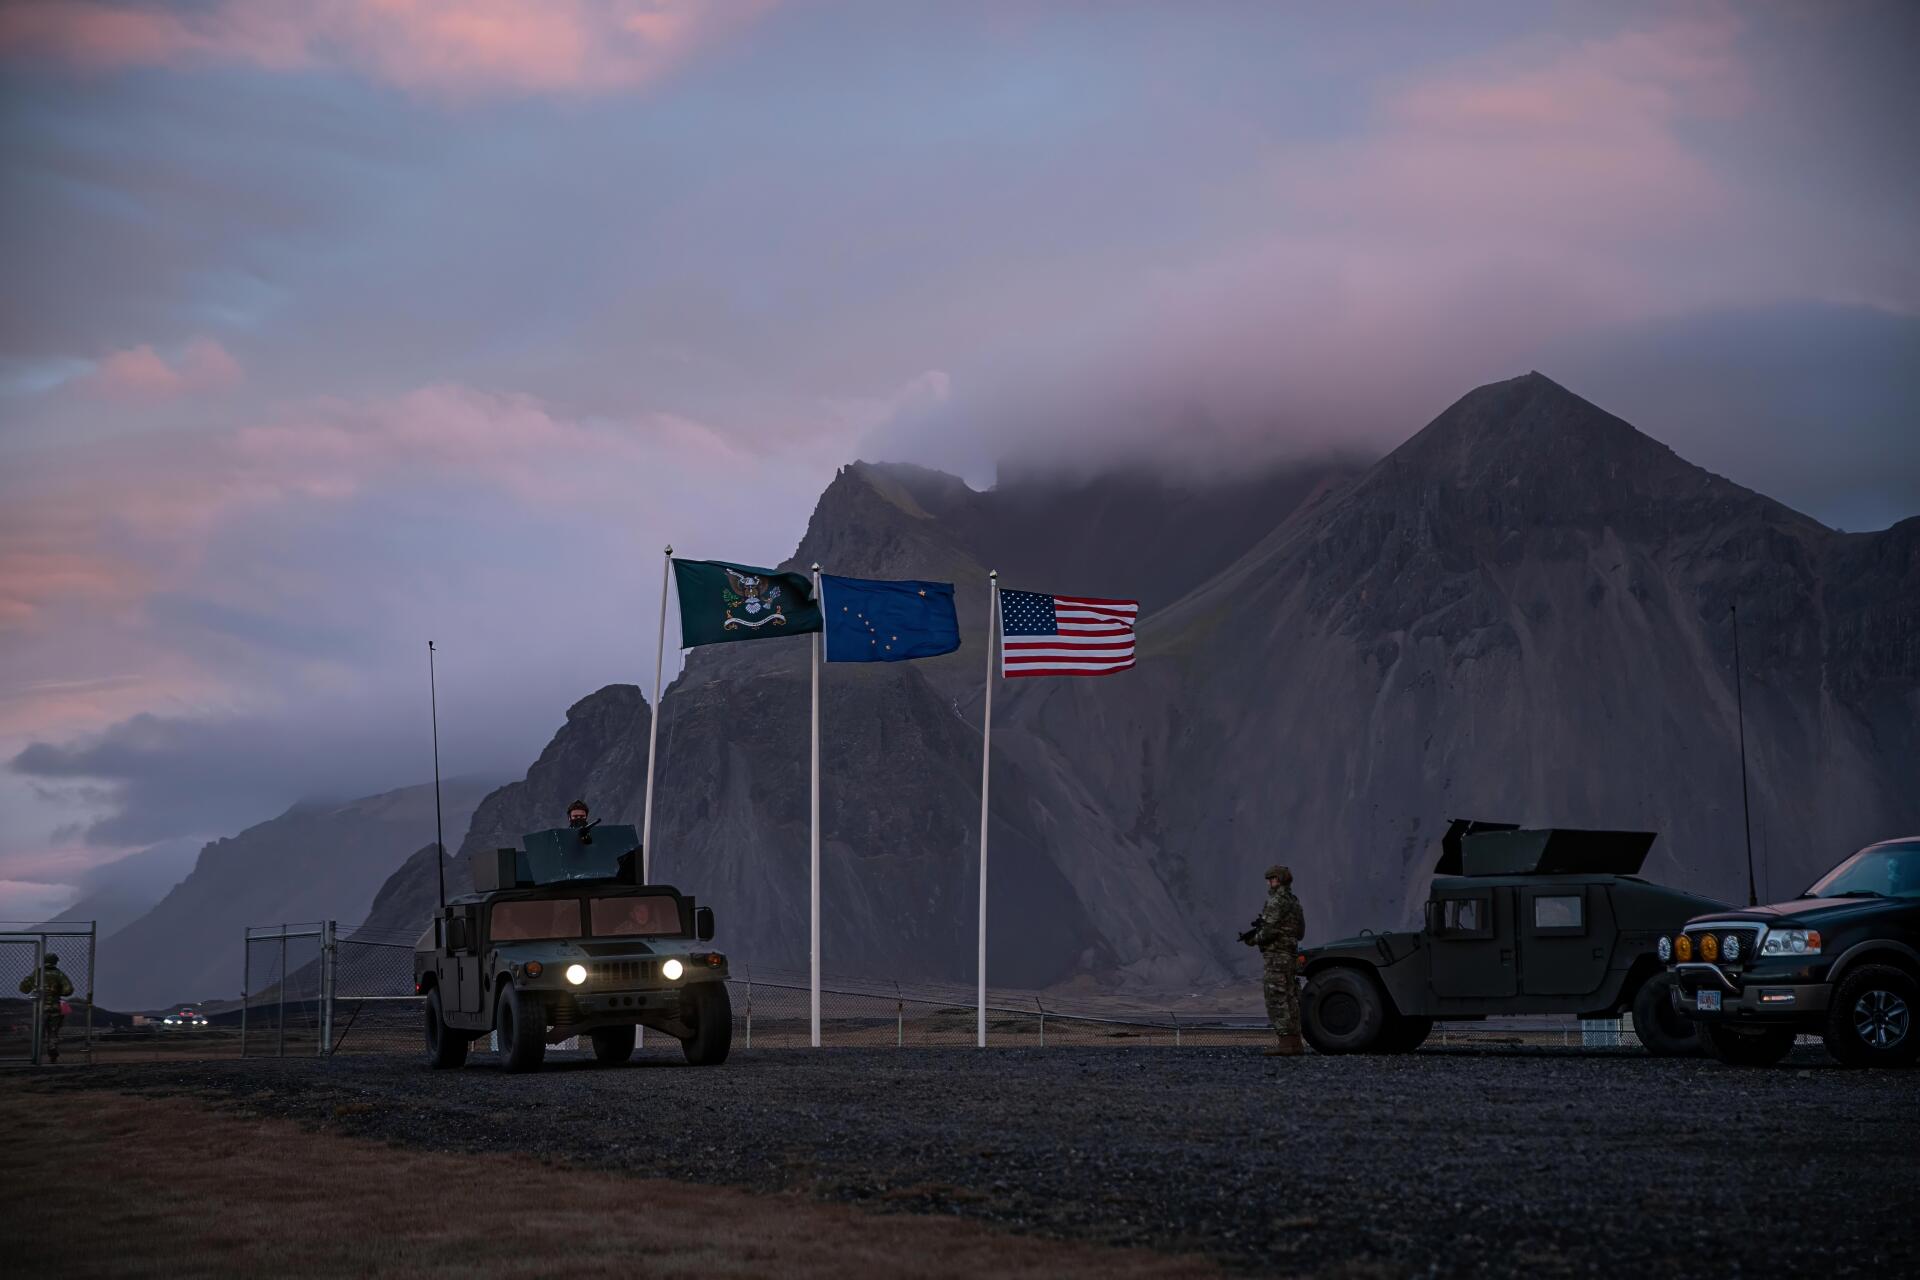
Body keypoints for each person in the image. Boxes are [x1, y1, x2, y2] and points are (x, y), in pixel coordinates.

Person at [1251, 864, 1307, 1057]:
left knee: (1276, 998)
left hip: (1276, 957)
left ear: (1279, 880)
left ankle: (1285, 1043)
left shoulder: (1276, 902)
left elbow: (1269, 930)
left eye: (1272, 879)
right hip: (1291, 956)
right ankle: (1295, 1043)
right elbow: (1300, 932)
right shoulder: (1294, 902)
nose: (1269, 882)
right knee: (1292, 999)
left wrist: (1255, 939)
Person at [18, 953, 75, 1063]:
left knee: (38, 1031)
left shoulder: (37, 973)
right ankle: (52, 1051)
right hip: (55, 1008)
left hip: (39, 1009)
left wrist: (34, 987)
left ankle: (35, 1055)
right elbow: (68, 990)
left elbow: (23, 988)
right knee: (53, 1032)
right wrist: (58, 992)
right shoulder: (59, 974)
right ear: (55, 961)